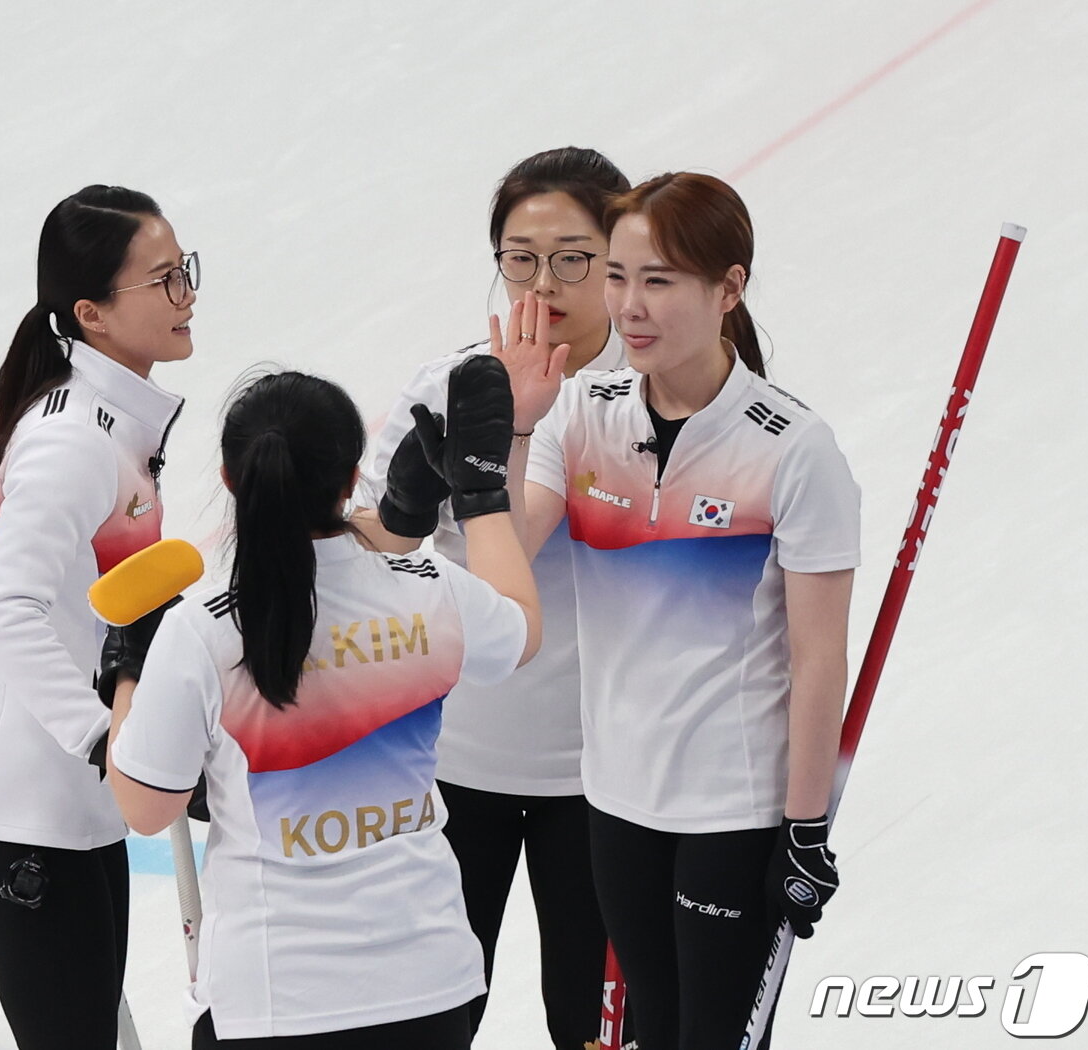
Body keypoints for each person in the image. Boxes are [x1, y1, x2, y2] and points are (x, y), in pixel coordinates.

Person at [499, 172, 858, 1050]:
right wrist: (515, 426)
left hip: (732, 810)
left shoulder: (795, 449)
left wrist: (805, 825)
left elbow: (818, 658)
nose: (629, 305)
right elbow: (504, 557)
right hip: (615, 796)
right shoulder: (581, 413)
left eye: (658, 280)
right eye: (617, 278)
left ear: (728, 289)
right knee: (651, 1024)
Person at [107, 362, 541, 1049]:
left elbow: (145, 805)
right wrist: (480, 492)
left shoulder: (207, 629)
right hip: (427, 987)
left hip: (275, 1001)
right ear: (348, 482)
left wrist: (129, 668)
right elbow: (519, 630)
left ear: (230, 479)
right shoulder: (428, 589)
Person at [351, 146, 629, 1049]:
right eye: (520, 258)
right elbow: (370, 553)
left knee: (587, 1024)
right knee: (433, 1019)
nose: (544, 283)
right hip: (450, 766)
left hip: (600, 776)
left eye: (572, 257)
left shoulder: (647, 389)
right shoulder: (446, 384)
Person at [0, 184, 197, 1050]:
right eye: (163, 281)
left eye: (184, 272)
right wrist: (106, 740)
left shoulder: (114, 424)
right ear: (91, 314)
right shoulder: (72, 443)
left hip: (81, 815)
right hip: (31, 825)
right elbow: (6, 613)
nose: (186, 296)